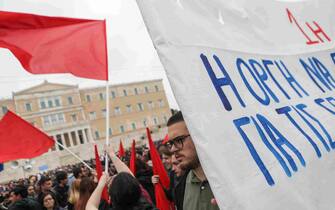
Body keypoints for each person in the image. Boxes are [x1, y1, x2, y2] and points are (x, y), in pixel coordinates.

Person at [166, 111, 219, 210]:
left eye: (179, 140)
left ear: (197, 135)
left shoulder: (231, 179)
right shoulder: (181, 188)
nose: (173, 149)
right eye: (171, 143)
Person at [86, 172, 156, 210]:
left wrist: (101, 184)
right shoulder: (147, 205)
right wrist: (112, 155)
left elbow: (90, 206)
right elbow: (130, 178)